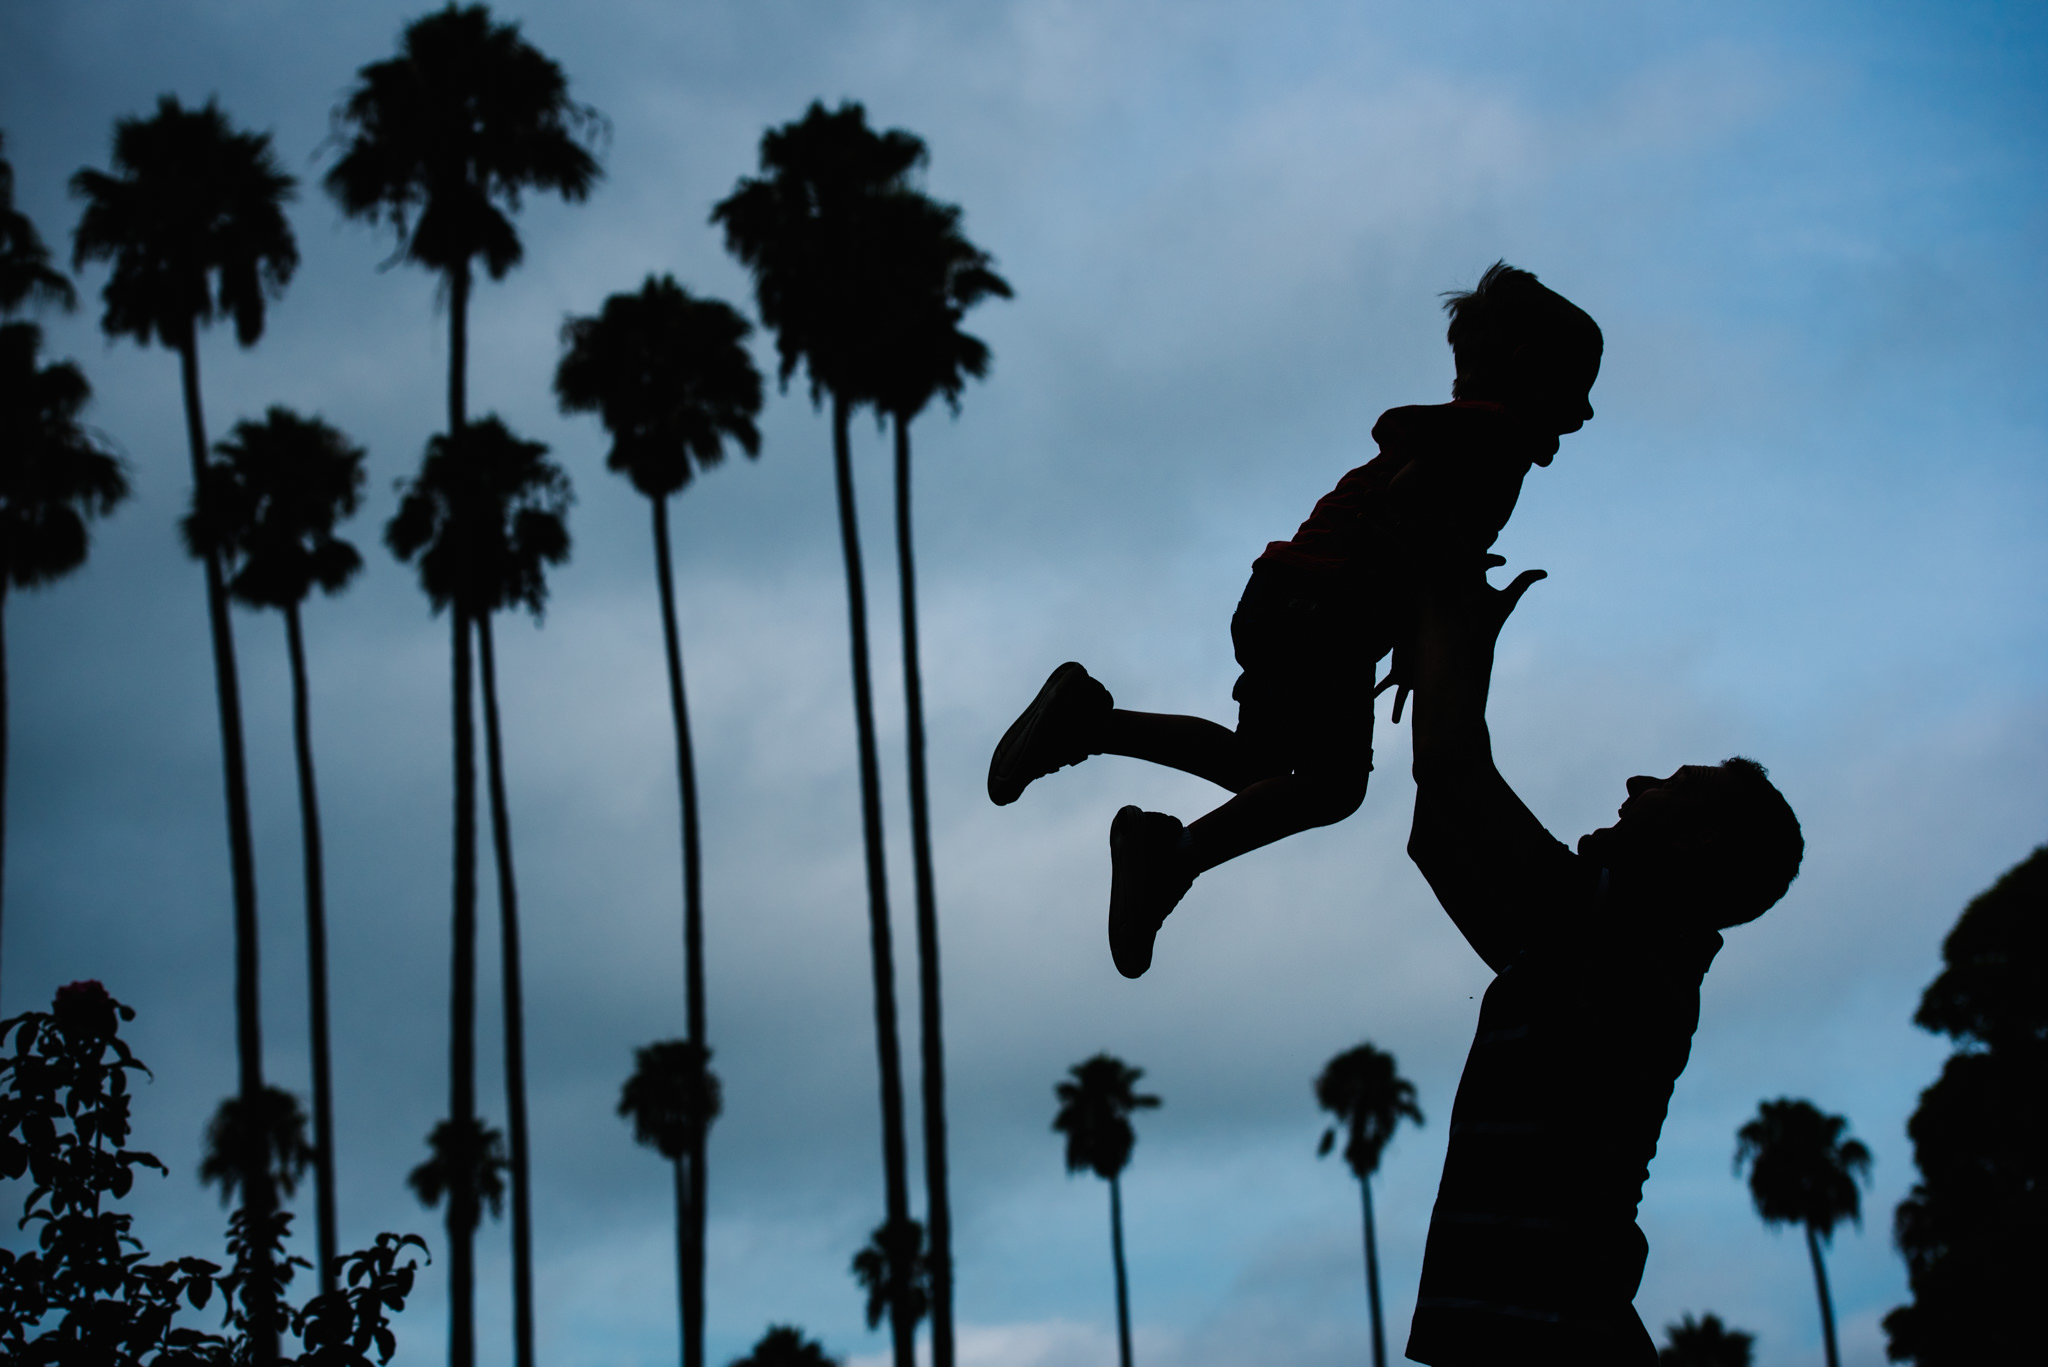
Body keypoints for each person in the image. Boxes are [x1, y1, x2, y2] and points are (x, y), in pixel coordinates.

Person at [986, 262, 1603, 978]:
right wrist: (1445, 601)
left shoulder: (1469, 433)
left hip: (1288, 596)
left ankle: (1090, 726)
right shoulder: (1491, 442)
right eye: (1579, 387)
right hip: (1325, 609)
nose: (1585, 412)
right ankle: (1171, 857)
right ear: (1530, 368)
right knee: (1334, 786)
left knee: (1260, 767)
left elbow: (1405, 523)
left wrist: (1414, 628)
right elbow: (1412, 507)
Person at [1400, 561, 1803, 1365]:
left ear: (1695, 842)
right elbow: (1435, 833)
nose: (1635, 780)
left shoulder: (1632, 934)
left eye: (1669, 785)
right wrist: (1442, 649)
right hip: (1534, 1324)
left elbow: (1451, 771)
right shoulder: (1592, 948)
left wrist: (1451, 625)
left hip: (1540, 1326)